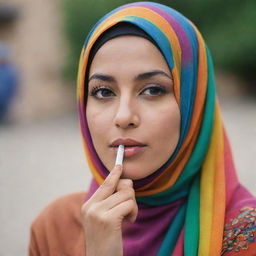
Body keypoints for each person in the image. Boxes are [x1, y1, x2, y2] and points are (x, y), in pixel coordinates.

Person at [29, 2, 256, 255]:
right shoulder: (54, 230)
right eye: (104, 92)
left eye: (152, 90)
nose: (124, 116)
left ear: (193, 102)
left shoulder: (243, 235)